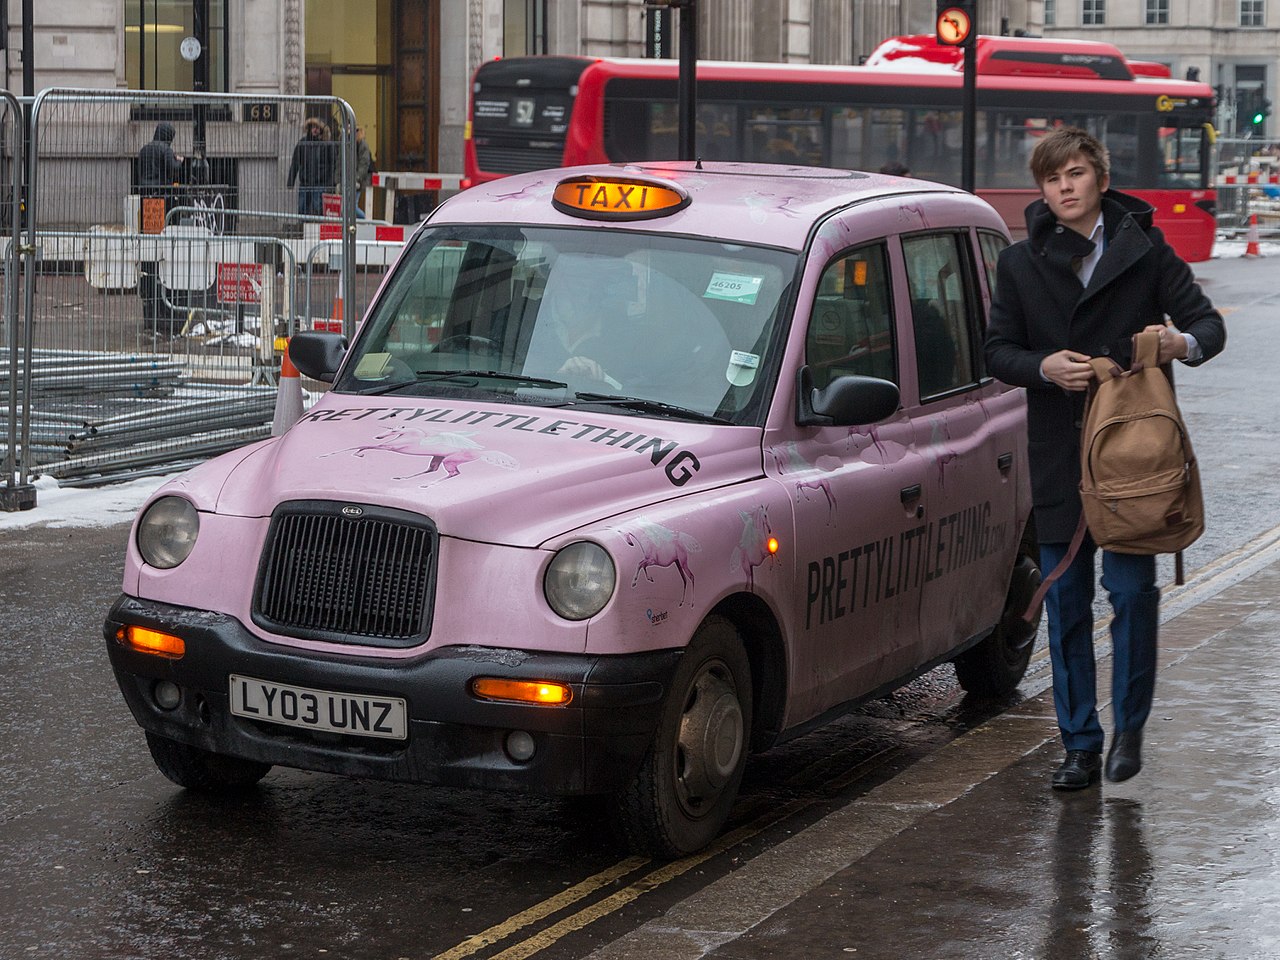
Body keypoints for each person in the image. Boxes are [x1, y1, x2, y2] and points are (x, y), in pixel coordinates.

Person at [984, 127, 1226, 791]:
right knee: (1065, 601)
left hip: (1132, 456)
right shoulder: (1019, 263)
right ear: (1041, 189)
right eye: (1051, 177)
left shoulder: (1143, 249)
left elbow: (1210, 327)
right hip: (1061, 453)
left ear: (1100, 177)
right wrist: (1043, 366)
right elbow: (996, 352)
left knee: (1130, 594)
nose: (1064, 187)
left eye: (1076, 173)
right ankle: (1080, 745)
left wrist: (1178, 344)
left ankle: (1130, 728)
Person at [286, 117, 337, 217]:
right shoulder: (302, 143)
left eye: (317, 127)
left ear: (321, 129)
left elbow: (333, 165)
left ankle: (316, 231)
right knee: (302, 208)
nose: (315, 130)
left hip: (320, 184)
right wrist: (290, 181)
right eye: (313, 127)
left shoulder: (327, 145)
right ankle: (303, 230)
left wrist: (331, 184)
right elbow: (295, 162)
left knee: (317, 209)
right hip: (305, 183)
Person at [138, 122, 183, 195]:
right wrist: (179, 161)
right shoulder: (166, 149)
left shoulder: (144, 149)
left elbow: (139, 169)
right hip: (161, 187)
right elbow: (173, 167)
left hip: (144, 187)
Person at [354, 125, 375, 218]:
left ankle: (366, 221)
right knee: (347, 207)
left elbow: (364, 163)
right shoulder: (346, 144)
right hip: (349, 180)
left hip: (358, 180)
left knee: (352, 207)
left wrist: (357, 179)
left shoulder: (362, 145)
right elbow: (340, 162)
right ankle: (366, 221)